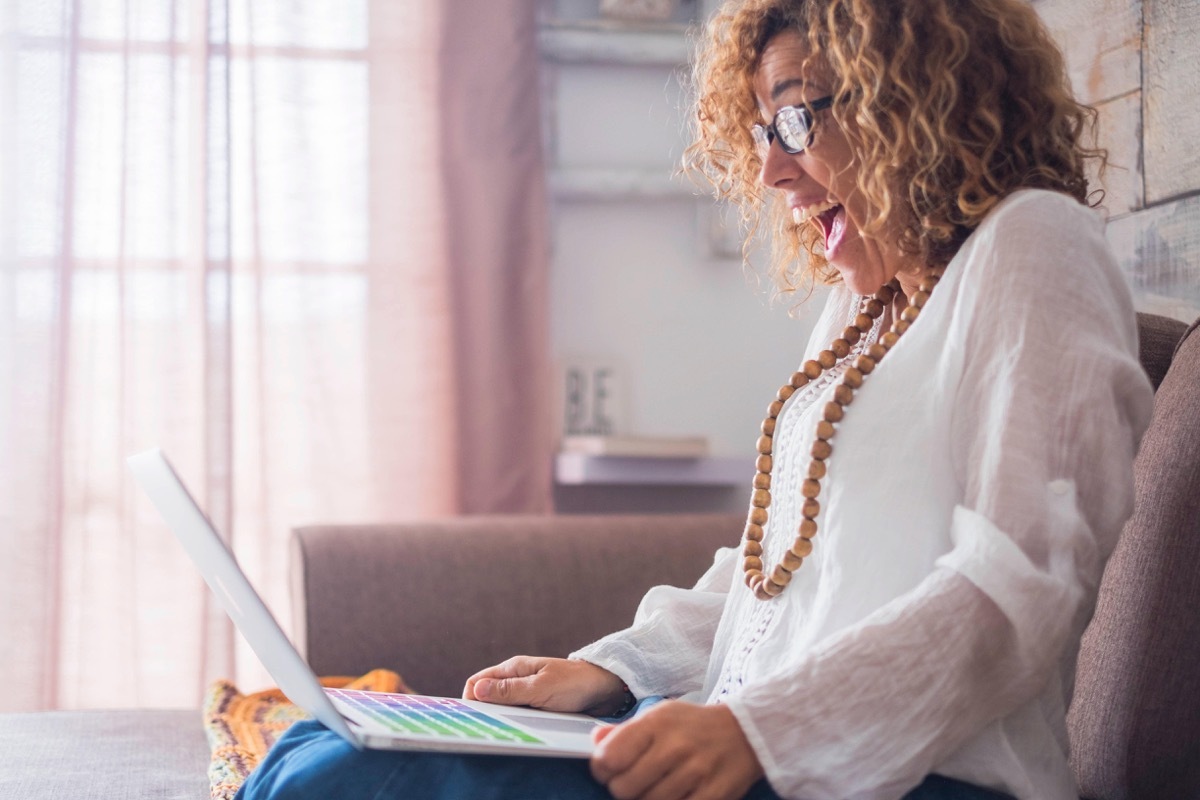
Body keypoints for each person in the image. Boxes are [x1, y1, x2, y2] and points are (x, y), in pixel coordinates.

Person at [237, 0, 1154, 798]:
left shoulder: (1036, 246)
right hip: (773, 759)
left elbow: (1021, 584)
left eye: (795, 122)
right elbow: (778, 573)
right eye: (764, 133)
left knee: (342, 781)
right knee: (318, 737)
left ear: (914, 105)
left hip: (912, 781)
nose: (770, 174)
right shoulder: (863, 308)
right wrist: (608, 671)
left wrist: (755, 733)